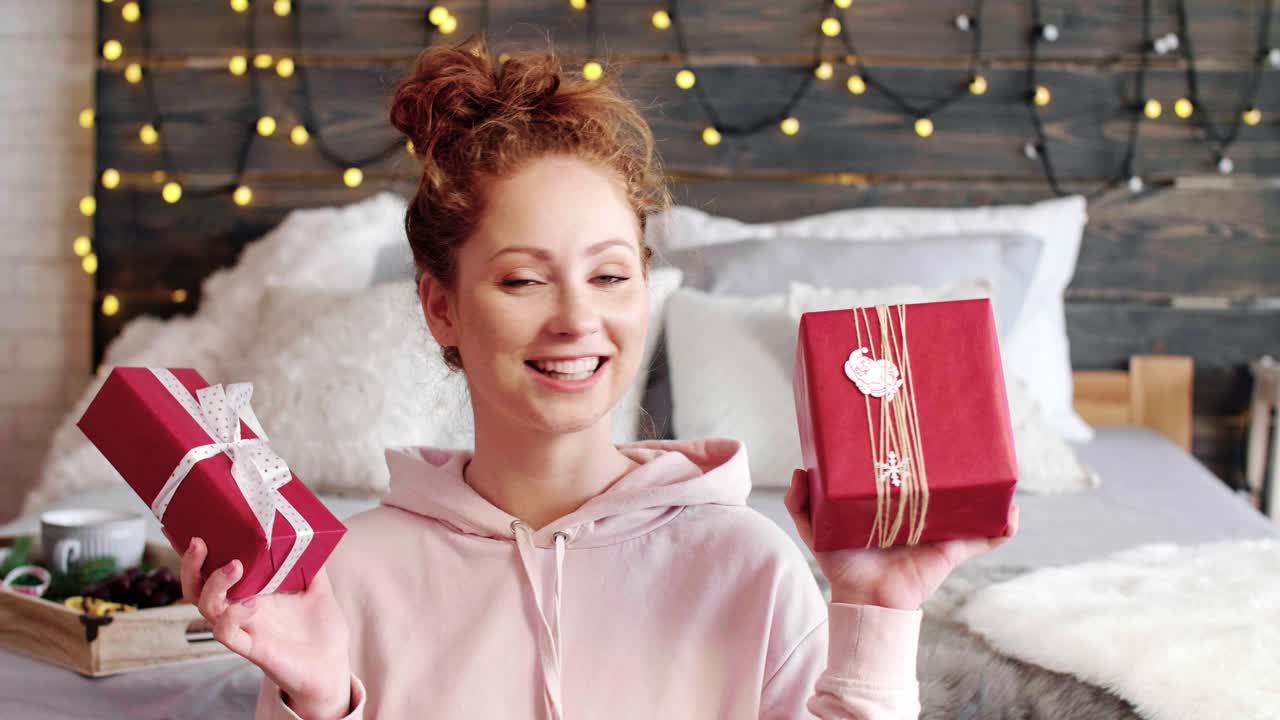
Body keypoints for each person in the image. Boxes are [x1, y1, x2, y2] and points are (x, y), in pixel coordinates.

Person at [179, 36, 1018, 720]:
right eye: (523, 279)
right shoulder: (349, 576)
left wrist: (879, 613)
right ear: (441, 308)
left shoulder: (749, 565)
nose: (577, 319)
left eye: (611, 276)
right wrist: (320, 703)